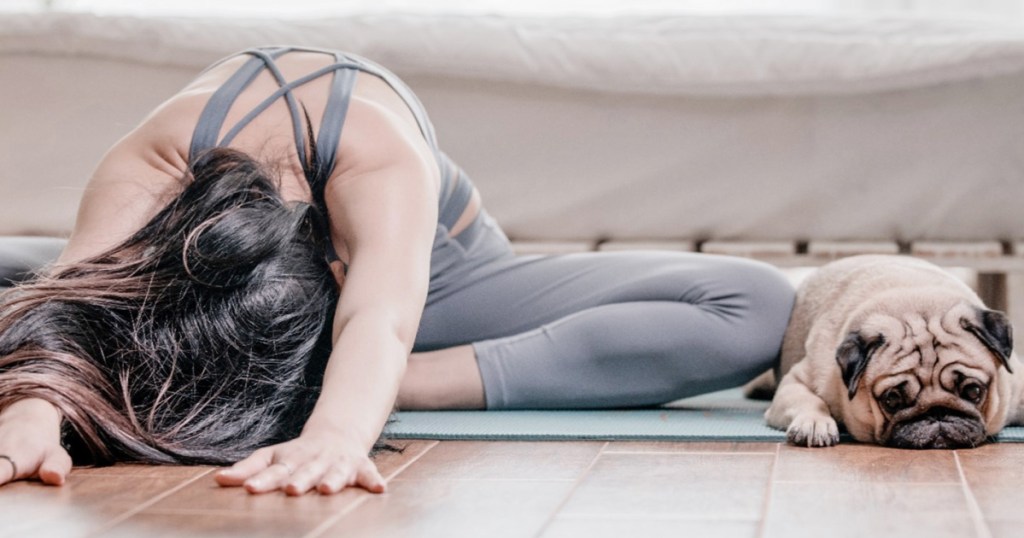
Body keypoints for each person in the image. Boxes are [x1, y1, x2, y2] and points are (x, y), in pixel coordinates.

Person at [0, 46, 795, 496]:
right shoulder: (155, 160)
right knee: (29, 283)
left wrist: (341, 431)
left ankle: (370, 380)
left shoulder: (376, 158)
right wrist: (33, 411)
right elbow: (71, 298)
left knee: (754, 304)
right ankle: (300, 370)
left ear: (333, 267)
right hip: (187, 291)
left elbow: (376, 319)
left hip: (440, 287)